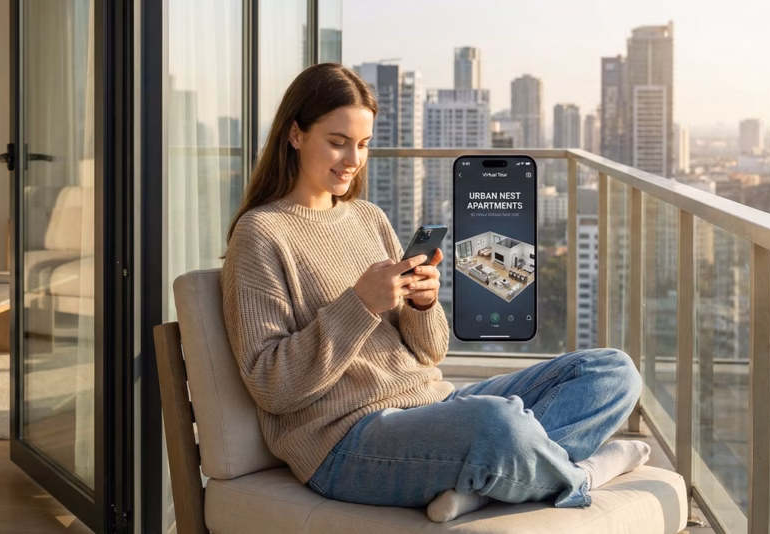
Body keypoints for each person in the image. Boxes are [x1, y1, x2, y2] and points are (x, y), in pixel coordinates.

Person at [221, 63, 650, 523]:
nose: (352, 159)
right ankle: (578, 476)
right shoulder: (261, 234)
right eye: (337, 141)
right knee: (496, 424)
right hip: (343, 442)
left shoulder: (367, 218)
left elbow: (429, 353)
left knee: (611, 372)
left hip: (430, 407)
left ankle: (484, 484)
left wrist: (422, 304)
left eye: (363, 144)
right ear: (295, 135)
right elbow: (272, 386)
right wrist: (360, 304)